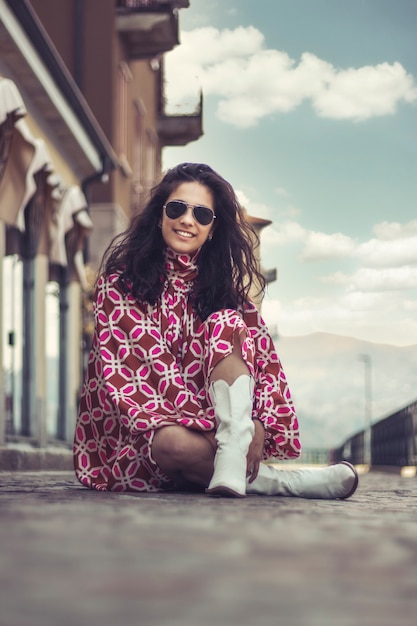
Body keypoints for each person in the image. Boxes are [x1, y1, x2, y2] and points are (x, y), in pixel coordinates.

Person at [74, 162, 358, 499]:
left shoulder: (227, 294)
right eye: (177, 208)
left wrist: (259, 424)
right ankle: (284, 482)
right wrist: (225, 436)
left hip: (218, 435)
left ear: (213, 229)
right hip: (139, 440)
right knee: (171, 441)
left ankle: (232, 455)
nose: (187, 220)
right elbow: (147, 377)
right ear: (159, 215)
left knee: (228, 324)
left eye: (202, 215)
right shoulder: (120, 285)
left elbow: (266, 367)